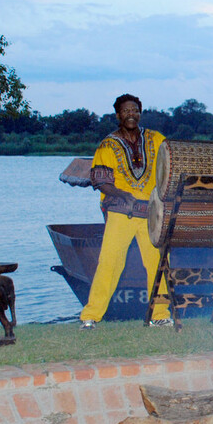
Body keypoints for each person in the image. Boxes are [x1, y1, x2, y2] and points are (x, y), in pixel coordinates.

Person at [79, 94, 172, 329]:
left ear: (140, 113)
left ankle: (159, 315)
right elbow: (100, 181)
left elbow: (171, 162)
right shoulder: (108, 145)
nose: (131, 114)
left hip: (152, 213)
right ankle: (91, 316)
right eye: (126, 111)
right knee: (109, 262)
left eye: (135, 110)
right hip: (121, 213)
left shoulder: (156, 138)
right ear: (118, 115)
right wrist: (123, 195)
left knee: (158, 262)